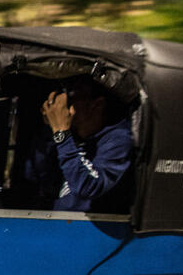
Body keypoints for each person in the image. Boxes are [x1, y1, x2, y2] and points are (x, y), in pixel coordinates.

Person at [31, 76, 134, 213]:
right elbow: (35, 175)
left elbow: (88, 187)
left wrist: (61, 133)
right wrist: (50, 130)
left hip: (91, 229)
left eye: (74, 96)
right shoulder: (69, 135)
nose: (66, 104)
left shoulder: (118, 139)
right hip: (58, 224)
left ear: (97, 105)